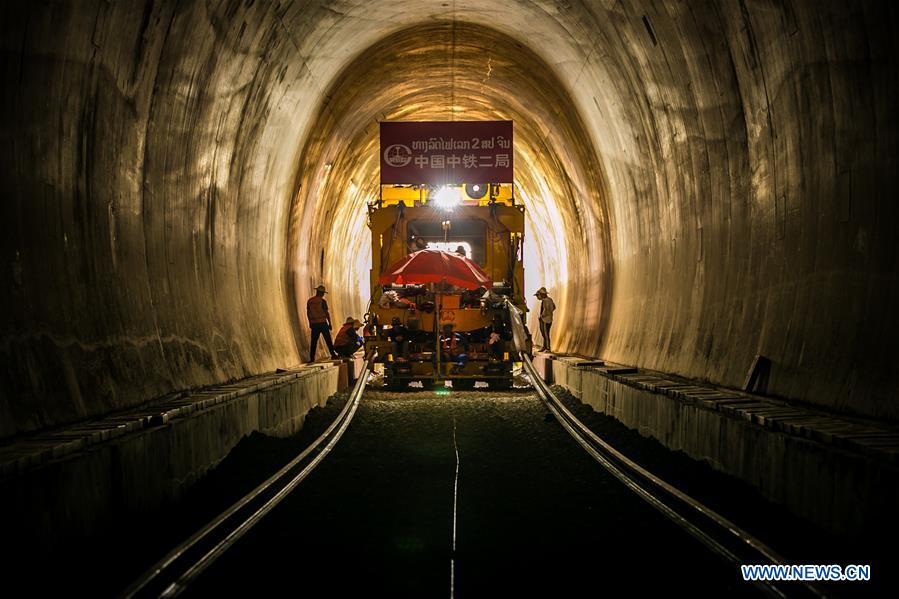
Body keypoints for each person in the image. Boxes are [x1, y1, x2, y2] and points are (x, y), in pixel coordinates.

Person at [307, 285, 339, 361]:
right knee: (328, 340)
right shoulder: (322, 301)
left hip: (314, 324)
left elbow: (308, 313)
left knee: (314, 342)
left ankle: (312, 358)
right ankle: (333, 354)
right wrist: (330, 323)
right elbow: (326, 313)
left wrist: (310, 322)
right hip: (322, 323)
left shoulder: (310, 301)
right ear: (322, 293)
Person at [534, 287, 556, 351]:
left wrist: (542, 316)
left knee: (545, 334)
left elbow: (545, 310)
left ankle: (548, 348)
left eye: (538, 295)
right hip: (549, 319)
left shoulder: (545, 301)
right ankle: (544, 346)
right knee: (545, 333)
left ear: (542, 294)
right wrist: (550, 313)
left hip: (544, 320)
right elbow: (554, 307)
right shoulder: (550, 299)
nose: (538, 297)